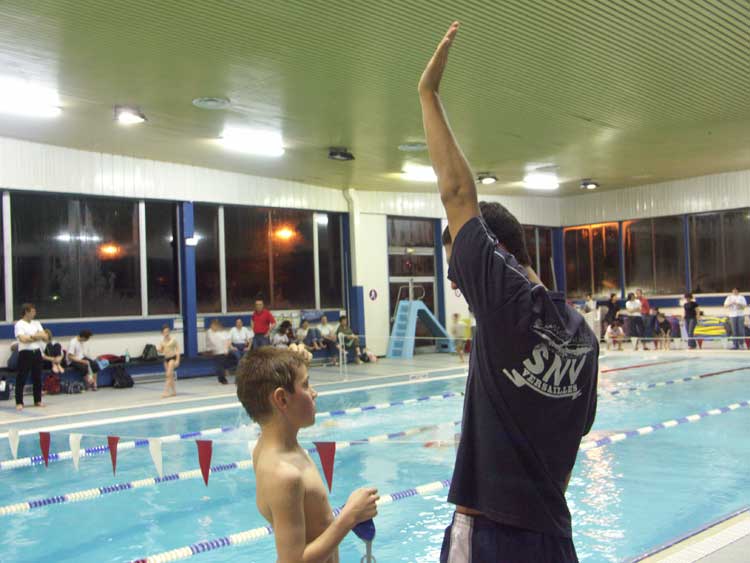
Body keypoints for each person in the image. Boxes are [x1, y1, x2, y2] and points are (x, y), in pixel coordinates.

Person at [419, 22, 598, 562]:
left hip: (490, 536)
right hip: (553, 537)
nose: (455, 280)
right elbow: (569, 446)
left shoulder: (504, 304)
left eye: (457, 264)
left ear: (491, 253)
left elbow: (457, 193)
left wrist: (428, 95)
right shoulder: (585, 339)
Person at [235, 347, 378, 562]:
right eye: (306, 384)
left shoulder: (271, 446)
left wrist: (291, 360)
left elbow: (267, 377)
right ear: (282, 399)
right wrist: (350, 516)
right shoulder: (284, 475)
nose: (314, 392)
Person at [14, 303, 47, 410]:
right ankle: (19, 402)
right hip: (25, 353)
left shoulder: (36, 323)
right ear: (26, 312)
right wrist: (36, 336)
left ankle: (37, 400)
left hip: (36, 352)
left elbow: (45, 336)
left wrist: (31, 337)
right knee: (21, 378)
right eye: (32, 311)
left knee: (37, 377)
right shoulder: (19, 324)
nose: (34, 313)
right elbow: (23, 339)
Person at [157, 324, 180, 398]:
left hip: (172, 358)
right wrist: (158, 349)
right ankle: (174, 391)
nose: (166, 333)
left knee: (168, 375)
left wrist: (177, 360)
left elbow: (177, 350)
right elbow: (162, 350)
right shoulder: (162, 341)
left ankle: (165, 392)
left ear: (169, 332)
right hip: (166, 359)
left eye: (167, 331)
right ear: (162, 333)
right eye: (164, 332)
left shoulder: (173, 340)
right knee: (171, 376)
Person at [205, 319, 231, 384]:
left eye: (215, 325)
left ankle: (222, 379)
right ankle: (222, 378)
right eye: (212, 325)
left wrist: (226, 349)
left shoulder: (222, 333)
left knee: (220, 366)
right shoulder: (209, 332)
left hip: (222, 351)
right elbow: (210, 341)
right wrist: (208, 349)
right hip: (215, 352)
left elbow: (227, 341)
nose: (213, 326)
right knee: (219, 366)